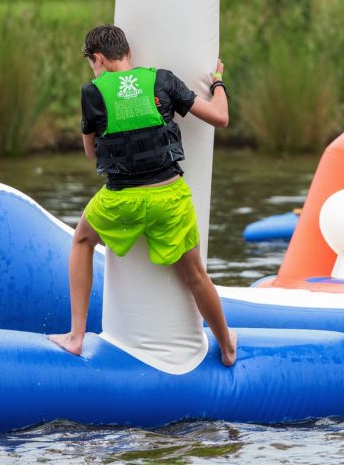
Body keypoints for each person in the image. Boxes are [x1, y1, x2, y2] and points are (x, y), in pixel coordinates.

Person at [48, 24, 237, 367]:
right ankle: (226, 345)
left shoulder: (93, 92)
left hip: (121, 200)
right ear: (129, 53)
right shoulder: (162, 80)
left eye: (92, 62)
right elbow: (220, 118)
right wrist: (219, 81)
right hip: (169, 197)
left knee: (82, 241)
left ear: (98, 59)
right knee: (196, 275)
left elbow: (91, 153)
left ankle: (75, 337)